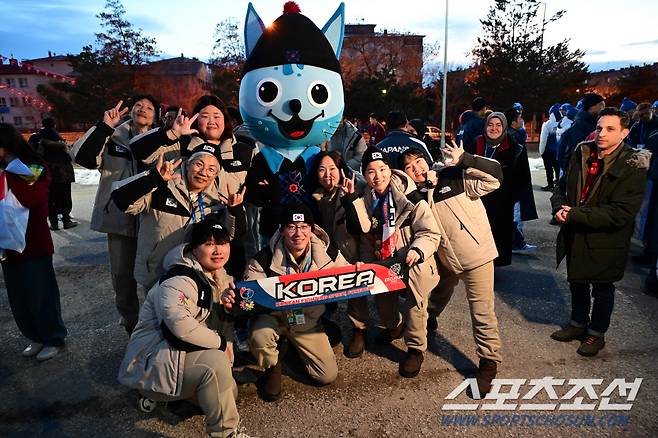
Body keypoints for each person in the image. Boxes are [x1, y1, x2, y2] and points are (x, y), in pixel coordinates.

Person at [118, 217, 249, 438]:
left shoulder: (221, 277)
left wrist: (227, 310)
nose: (218, 250)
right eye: (208, 244)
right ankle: (225, 433)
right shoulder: (178, 278)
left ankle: (177, 396)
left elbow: (216, 324)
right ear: (194, 248)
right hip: (154, 361)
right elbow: (179, 330)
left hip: (181, 358)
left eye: (222, 243)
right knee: (216, 367)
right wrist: (221, 343)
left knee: (227, 391)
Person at [398, 144, 503, 394]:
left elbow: (496, 177)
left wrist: (465, 159)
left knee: (482, 312)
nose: (416, 169)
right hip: (442, 258)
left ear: (428, 160)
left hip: (476, 256)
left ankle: (489, 363)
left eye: (419, 162)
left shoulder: (454, 175)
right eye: (408, 167)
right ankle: (420, 338)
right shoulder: (414, 197)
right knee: (430, 298)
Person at [223, 204, 348, 402]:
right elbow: (248, 295)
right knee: (259, 336)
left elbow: (348, 275)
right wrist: (233, 299)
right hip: (274, 318)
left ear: (312, 229)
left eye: (303, 227)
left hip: (306, 319)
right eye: (291, 227)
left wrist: (359, 271)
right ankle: (273, 366)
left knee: (326, 376)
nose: (298, 233)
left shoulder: (328, 253)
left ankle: (293, 348)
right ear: (282, 230)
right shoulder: (263, 259)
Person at [550, 107, 649, 356]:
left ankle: (596, 334)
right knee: (577, 281)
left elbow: (620, 213)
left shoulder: (632, 165)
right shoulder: (582, 153)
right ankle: (577, 323)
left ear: (624, 133)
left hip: (607, 239)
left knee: (602, 288)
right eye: (599, 128)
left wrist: (574, 214)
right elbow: (561, 188)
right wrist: (558, 209)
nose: (601, 134)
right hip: (576, 232)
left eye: (610, 129)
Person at [130, 95, 256, 278]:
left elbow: (254, 189)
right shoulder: (180, 144)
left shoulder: (244, 150)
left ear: (226, 120)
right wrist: (172, 133)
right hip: (179, 231)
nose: (212, 120)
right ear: (195, 119)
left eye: (217, 115)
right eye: (205, 115)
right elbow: (139, 152)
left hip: (226, 235)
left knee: (224, 291)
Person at [341, 147, 441, 377]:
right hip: (383, 259)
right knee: (384, 306)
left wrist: (418, 249)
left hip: (412, 257)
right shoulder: (365, 197)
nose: (378, 176)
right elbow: (366, 236)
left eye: (383, 169)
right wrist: (368, 267)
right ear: (364, 175)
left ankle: (416, 348)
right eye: (371, 171)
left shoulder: (409, 193)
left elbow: (430, 232)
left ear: (390, 169)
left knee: (415, 303)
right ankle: (394, 327)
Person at [71, 95, 159, 334]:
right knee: (122, 275)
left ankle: (156, 321)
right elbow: (84, 159)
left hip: (150, 216)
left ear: (155, 116)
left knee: (154, 271)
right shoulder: (113, 136)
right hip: (118, 217)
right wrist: (104, 127)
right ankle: (130, 320)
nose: (143, 109)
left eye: (150, 107)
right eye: (139, 105)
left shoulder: (159, 140)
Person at [111, 145, 246, 292]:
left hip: (196, 275)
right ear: (187, 164)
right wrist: (153, 178)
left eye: (211, 169)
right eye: (198, 164)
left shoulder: (218, 201)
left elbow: (231, 236)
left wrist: (235, 209)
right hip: (156, 273)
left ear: (216, 175)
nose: (203, 172)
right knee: (153, 313)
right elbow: (120, 198)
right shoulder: (161, 187)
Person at [0, 123, 68, 361]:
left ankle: (53, 338)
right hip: (7, 246)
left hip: (33, 243)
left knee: (40, 294)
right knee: (18, 298)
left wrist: (7, 175)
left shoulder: (33, 168)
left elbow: (31, 197)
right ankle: (35, 336)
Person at [310, 150, 361, 348]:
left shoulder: (351, 191)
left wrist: (350, 198)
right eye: (322, 170)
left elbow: (359, 226)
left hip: (351, 251)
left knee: (357, 293)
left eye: (332, 169)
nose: (327, 174)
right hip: (328, 255)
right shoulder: (316, 197)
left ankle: (359, 330)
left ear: (341, 171)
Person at [475, 112, 534, 266]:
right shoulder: (478, 142)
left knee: (498, 237)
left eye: (498, 125)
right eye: (490, 125)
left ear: (504, 127)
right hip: (478, 200)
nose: (494, 128)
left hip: (502, 203)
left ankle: (493, 266)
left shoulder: (515, 147)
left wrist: (511, 198)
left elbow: (522, 177)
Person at [30, 117, 77, 230]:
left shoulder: (36, 137)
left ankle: (54, 223)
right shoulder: (57, 137)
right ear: (54, 125)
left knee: (50, 198)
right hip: (62, 172)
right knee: (64, 196)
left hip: (46, 172)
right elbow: (68, 155)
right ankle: (66, 220)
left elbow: (32, 155)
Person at [557, 93, 605, 172]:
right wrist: (572, 174)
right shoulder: (574, 130)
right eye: (601, 105)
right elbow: (562, 155)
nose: (603, 108)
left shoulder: (602, 126)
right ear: (592, 106)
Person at [538, 104, 562, 191]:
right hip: (559, 151)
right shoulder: (563, 123)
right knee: (558, 168)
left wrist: (541, 151)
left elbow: (543, 139)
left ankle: (550, 185)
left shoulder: (547, 124)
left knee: (549, 169)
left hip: (548, 151)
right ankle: (559, 185)